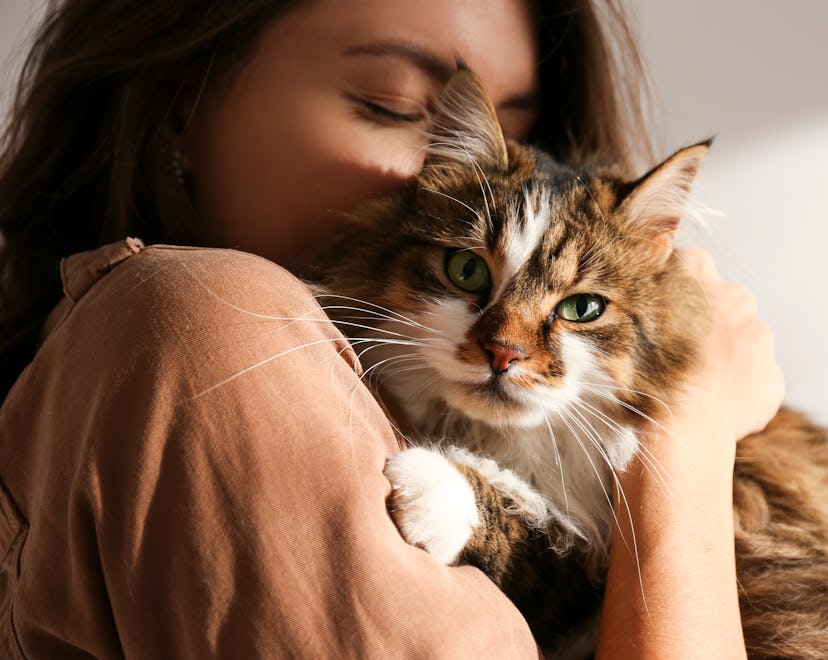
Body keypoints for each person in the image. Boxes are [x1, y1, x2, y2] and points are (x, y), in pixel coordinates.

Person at [0, 0, 783, 657]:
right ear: (181, 104)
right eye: (400, 107)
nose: (452, 177)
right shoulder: (209, 321)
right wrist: (687, 436)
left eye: (518, 132)